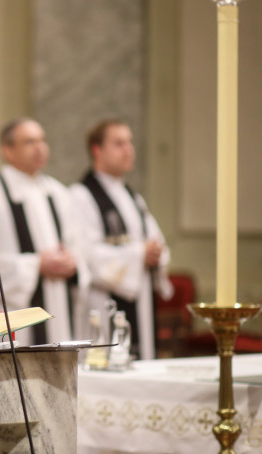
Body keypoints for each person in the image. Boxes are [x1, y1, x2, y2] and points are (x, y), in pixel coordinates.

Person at [0, 118, 88, 345]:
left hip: (59, 307)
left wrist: (73, 264)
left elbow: (79, 249)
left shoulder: (59, 192)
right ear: (8, 150)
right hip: (13, 316)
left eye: (43, 140)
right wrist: (36, 266)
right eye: (29, 142)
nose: (39, 147)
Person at [70, 119, 173, 360]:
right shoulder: (80, 196)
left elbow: (156, 242)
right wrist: (139, 255)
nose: (129, 150)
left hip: (141, 300)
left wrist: (156, 254)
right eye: (119, 143)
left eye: (130, 142)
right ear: (97, 149)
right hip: (103, 303)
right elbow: (86, 255)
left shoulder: (132, 196)